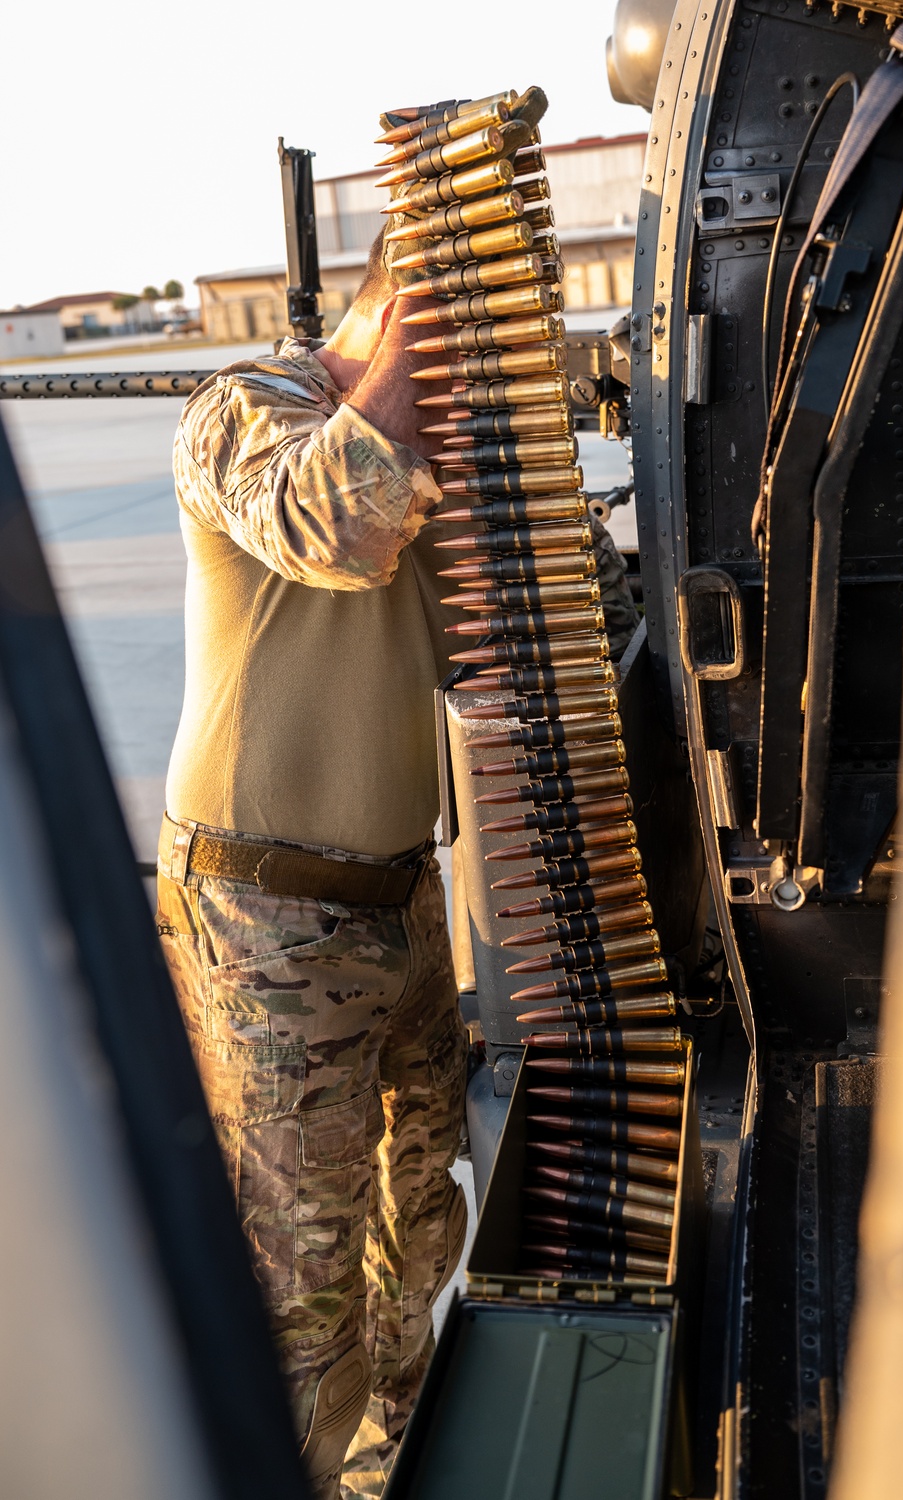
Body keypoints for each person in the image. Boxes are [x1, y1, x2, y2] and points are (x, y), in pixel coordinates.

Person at [156, 229, 639, 1498]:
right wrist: (441, 309)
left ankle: (379, 1477)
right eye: (477, 343)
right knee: (297, 1284)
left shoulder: (424, 467)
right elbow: (334, 520)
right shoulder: (244, 409)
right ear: (404, 311)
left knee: (417, 1225)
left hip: (398, 902)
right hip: (264, 914)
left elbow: (530, 634)